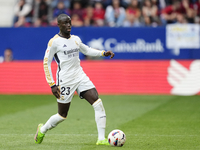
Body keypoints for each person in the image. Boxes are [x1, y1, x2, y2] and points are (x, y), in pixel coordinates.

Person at [34, 13, 115, 145]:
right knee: (62, 115)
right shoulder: (54, 42)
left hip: (80, 75)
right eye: (65, 23)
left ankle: (101, 139)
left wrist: (102, 53)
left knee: (97, 102)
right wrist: (52, 84)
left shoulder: (76, 39)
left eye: (69, 22)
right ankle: (42, 129)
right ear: (59, 25)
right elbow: (46, 63)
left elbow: (87, 50)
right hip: (65, 80)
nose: (68, 25)